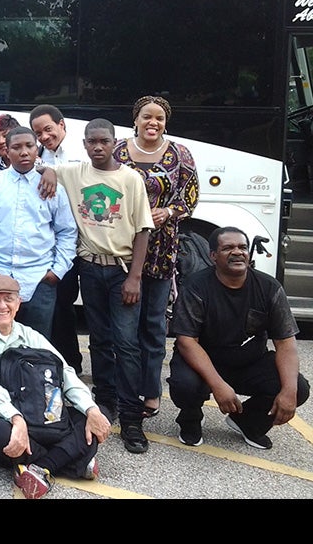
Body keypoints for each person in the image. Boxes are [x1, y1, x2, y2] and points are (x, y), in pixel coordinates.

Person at [39, 118, 154, 454]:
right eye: (92, 142)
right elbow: (46, 169)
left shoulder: (130, 179)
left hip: (121, 271)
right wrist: (48, 171)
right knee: (100, 340)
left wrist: (135, 277)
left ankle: (132, 417)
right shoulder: (75, 173)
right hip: (89, 269)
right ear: (85, 143)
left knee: (127, 342)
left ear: (115, 142)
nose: (98, 147)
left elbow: (143, 231)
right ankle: (105, 401)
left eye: (104, 141)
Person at [0, 274, 111, 499]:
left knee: (97, 415)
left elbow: (65, 372)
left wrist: (91, 409)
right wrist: (16, 419)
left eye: (8, 298)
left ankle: (40, 467)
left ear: (18, 302)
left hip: (40, 419)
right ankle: (72, 461)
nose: (2, 305)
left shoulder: (30, 336)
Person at [167, 226, 310, 449]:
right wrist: (218, 385)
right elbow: (187, 342)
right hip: (204, 364)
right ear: (213, 256)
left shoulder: (269, 288)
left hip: (248, 363)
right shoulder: (196, 287)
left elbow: (285, 343)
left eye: (243, 247)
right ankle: (190, 419)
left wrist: (289, 392)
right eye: (228, 248)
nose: (237, 252)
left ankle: (248, 422)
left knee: (298, 387)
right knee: (184, 385)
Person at [113, 95, 199, 418]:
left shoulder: (180, 155)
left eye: (160, 118)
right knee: (124, 328)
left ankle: (150, 392)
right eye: (147, 116)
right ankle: (124, 390)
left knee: (153, 326)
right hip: (123, 252)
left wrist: (168, 211)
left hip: (161, 253)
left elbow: (190, 198)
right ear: (135, 119)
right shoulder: (118, 151)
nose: (153, 123)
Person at [0, 126, 77, 338]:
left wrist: (57, 271)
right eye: (16, 147)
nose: (24, 152)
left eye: (29, 146)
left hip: (39, 278)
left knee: (35, 349)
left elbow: (67, 232)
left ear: (36, 149)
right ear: (6, 151)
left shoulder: (52, 188)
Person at [31, 104, 85, 374]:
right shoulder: (38, 157)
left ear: (62, 124)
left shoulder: (81, 153)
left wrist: (52, 171)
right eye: (38, 133)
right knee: (49, 308)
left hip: (76, 243)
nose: (44, 137)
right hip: (46, 245)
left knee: (65, 306)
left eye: (48, 129)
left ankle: (71, 364)